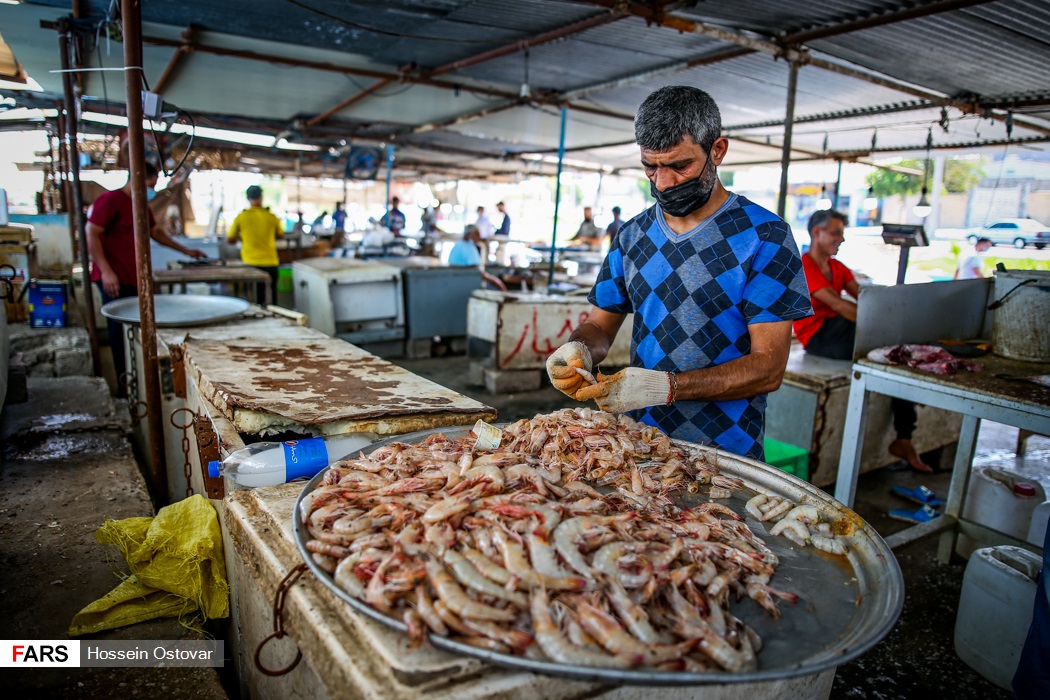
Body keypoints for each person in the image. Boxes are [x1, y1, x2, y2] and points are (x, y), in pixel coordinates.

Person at [545, 85, 812, 460]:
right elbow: (602, 326)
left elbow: (768, 368)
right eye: (650, 167)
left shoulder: (764, 236)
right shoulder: (633, 234)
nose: (663, 182)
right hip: (638, 443)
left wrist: (667, 387)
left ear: (717, 150)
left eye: (679, 165)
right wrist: (580, 350)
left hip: (727, 450)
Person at [792, 209, 932, 473]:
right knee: (891, 350)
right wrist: (883, 326)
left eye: (841, 234)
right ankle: (904, 436)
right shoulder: (804, 266)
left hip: (840, 328)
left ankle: (904, 437)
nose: (840, 239)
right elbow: (839, 305)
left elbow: (865, 298)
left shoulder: (838, 268)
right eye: (835, 233)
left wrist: (891, 314)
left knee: (895, 355)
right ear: (816, 233)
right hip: (819, 336)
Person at [85, 161, 206, 396]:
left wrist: (186, 250)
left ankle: (140, 382)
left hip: (133, 277)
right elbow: (92, 232)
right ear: (137, 179)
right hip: (113, 278)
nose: (152, 189)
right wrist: (106, 270)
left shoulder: (140, 205)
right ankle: (124, 388)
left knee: (137, 332)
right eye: (150, 184)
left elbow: (156, 232)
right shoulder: (110, 201)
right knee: (120, 332)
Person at [226, 185, 283, 305]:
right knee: (271, 301)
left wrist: (242, 237)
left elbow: (230, 239)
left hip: (251, 264)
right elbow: (280, 235)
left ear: (248, 198)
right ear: (261, 197)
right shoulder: (271, 217)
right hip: (271, 263)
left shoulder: (241, 217)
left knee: (254, 301)